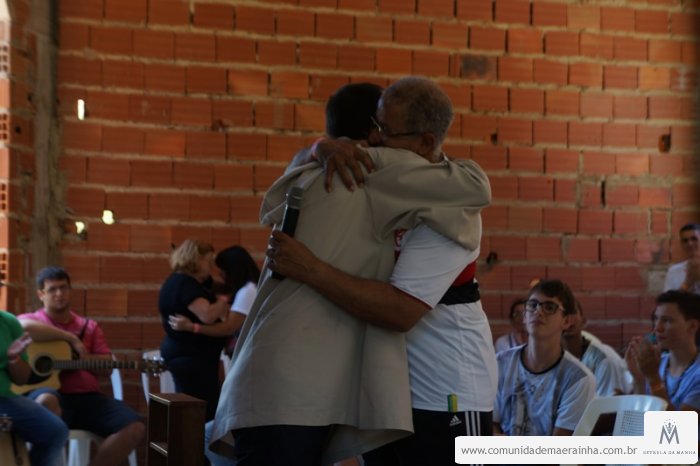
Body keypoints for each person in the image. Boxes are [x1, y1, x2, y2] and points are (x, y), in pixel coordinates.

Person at [210, 78, 491, 465]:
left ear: (426, 141)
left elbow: (399, 310)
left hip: (444, 387)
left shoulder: (447, 202)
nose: (375, 140)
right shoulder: (356, 176)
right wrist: (319, 147)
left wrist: (311, 268)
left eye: (385, 131)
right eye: (374, 128)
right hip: (375, 389)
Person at [18, 266, 144, 466]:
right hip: (50, 394)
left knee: (134, 427)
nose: (59, 294)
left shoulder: (89, 327)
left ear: (70, 290)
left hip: (87, 399)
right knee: (46, 400)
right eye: (52, 289)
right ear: (41, 294)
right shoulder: (34, 320)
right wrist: (70, 338)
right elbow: (22, 326)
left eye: (63, 288)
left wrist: (82, 360)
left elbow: (107, 367)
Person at [494, 279, 595, 436]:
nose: (538, 311)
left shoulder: (578, 378)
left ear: (567, 321)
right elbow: (488, 425)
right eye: (532, 305)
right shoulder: (500, 363)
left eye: (549, 307)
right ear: (524, 316)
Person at [158, 239, 231, 421]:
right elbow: (207, 315)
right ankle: (196, 440)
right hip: (191, 358)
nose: (211, 266)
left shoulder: (178, 281)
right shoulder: (185, 284)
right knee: (199, 411)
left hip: (189, 355)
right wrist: (225, 300)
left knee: (195, 408)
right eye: (208, 261)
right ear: (195, 259)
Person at [1, 308, 68, 466]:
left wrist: (14, 358)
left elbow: (21, 379)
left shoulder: (9, 321)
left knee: (55, 431)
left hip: (5, 401)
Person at [169, 245, 260, 353]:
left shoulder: (248, 291)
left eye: (223, 270)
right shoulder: (247, 288)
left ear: (233, 269)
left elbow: (229, 328)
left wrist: (192, 327)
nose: (220, 274)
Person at [625, 290, 699, 414]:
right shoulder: (657, 363)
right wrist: (638, 379)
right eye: (656, 319)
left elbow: (678, 426)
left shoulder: (653, 369)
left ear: (692, 326)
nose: (657, 328)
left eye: (667, 320)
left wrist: (653, 379)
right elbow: (637, 419)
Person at [562, 301, 630, 396]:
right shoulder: (548, 359)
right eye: (563, 313)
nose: (568, 319)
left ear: (583, 321)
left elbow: (609, 404)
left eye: (572, 312)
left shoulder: (604, 360)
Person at [664, 223, 700, 293]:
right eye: (685, 241)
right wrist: (688, 283)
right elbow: (667, 300)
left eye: (694, 239)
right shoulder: (673, 271)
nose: (690, 243)